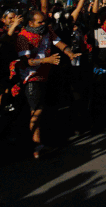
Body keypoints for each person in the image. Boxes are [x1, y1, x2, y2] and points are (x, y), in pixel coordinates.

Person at [15, 10, 81, 158]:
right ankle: (36, 147)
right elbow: (27, 62)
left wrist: (69, 53)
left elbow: (59, 43)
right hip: (31, 78)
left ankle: (48, 141)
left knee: (49, 109)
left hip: (47, 76)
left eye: (44, 21)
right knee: (36, 112)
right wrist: (46, 60)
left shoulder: (47, 31)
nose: (43, 24)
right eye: (40, 22)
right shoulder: (22, 38)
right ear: (30, 23)